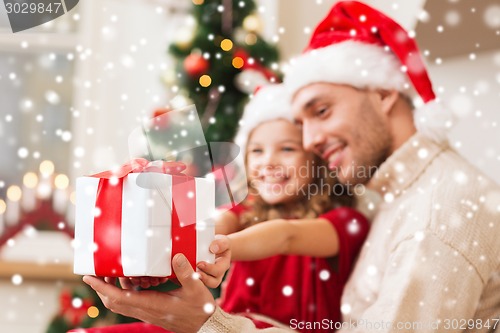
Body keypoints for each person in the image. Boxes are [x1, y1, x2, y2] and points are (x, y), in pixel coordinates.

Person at [83, 1, 500, 332]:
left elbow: (283, 237)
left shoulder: (435, 212)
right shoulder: (396, 199)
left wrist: (210, 324)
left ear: (384, 94)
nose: (310, 141)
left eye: (322, 110)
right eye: (300, 125)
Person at [210, 84, 369, 331]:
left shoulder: (346, 222)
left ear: (316, 160)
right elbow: (220, 223)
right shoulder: (247, 211)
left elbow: (286, 235)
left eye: (287, 149)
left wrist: (222, 247)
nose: (268, 162)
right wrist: (195, 239)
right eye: (257, 151)